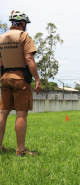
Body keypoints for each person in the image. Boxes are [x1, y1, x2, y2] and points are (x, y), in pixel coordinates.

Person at [0, 10, 41, 156]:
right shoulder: (24, 36)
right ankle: (21, 150)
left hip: (5, 77)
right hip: (20, 79)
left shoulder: (1, 37)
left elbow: (0, 61)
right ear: (22, 23)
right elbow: (29, 58)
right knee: (21, 115)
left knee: (2, 113)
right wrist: (37, 79)